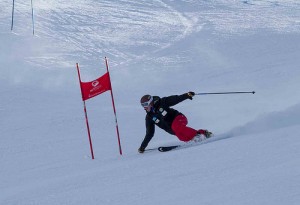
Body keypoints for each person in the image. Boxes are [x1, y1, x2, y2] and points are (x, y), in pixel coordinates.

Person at [138, 92, 212, 153]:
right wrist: (142, 147)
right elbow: (149, 133)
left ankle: (199, 135)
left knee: (176, 127)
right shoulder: (149, 117)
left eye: (145, 105)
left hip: (179, 118)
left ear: (150, 103)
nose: (144, 107)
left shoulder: (162, 102)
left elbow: (175, 99)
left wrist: (186, 95)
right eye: (142, 105)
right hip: (175, 130)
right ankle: (203, 133)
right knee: (182, 137)